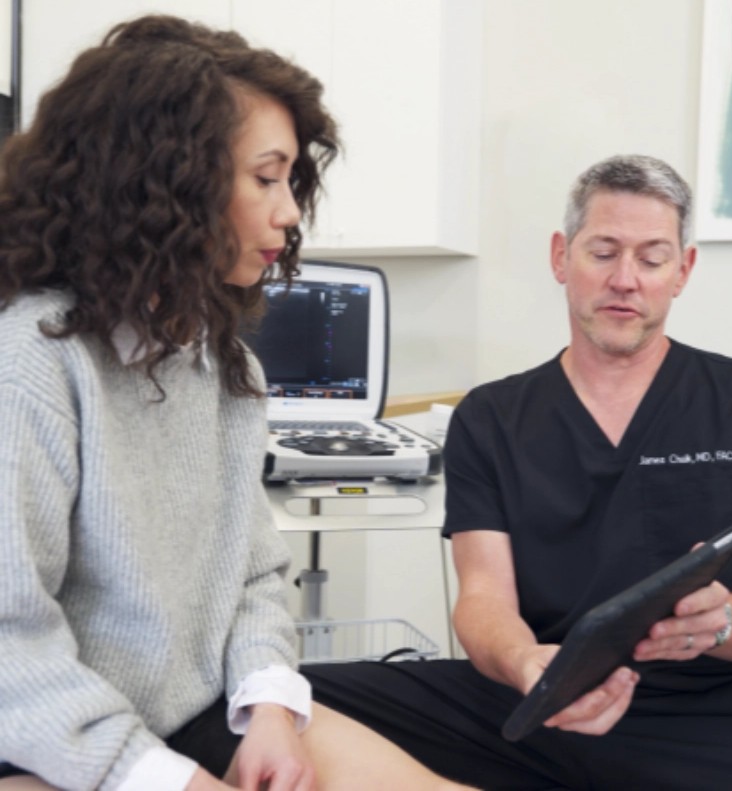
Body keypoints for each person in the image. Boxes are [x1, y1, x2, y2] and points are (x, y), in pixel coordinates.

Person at [0, 14, 476, 791]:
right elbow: (7, 648)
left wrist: (270, 709)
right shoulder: (33, 364)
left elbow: (253, 575)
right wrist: (163, 776)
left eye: (291, 181)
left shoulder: (223, 365)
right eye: (266, 177)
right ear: (167, 182)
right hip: (51, 742)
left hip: (195, 714)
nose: (290, 213)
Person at [303, 154, 732, 789]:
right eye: (603, 252)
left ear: (683, 270)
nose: (626, 279)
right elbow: (483, 598)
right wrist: (524, 664)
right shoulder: (491, 417)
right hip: (535, 701)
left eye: (651, 258)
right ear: (561, 257)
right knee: (278, 701)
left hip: (701, 717)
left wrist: (721, 620)